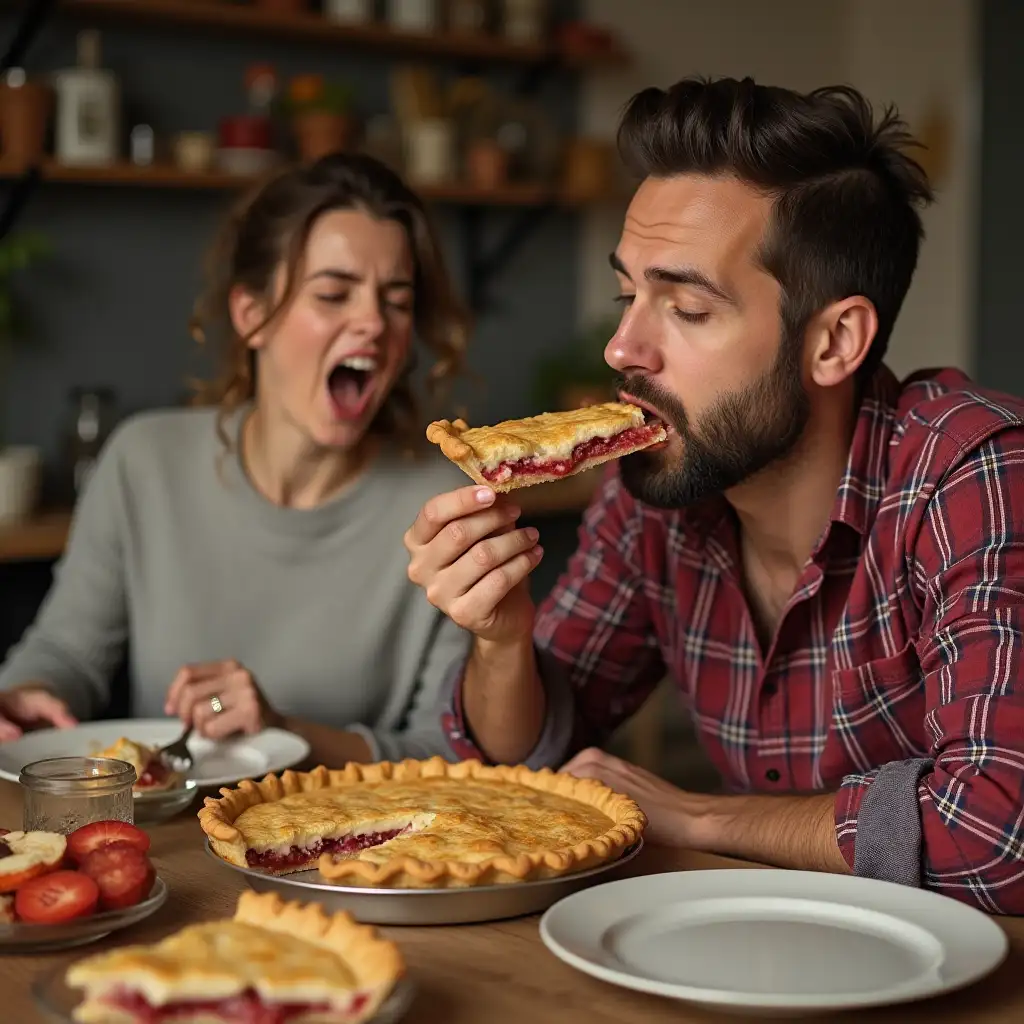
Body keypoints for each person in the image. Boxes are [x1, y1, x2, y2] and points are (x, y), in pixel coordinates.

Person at [404, 76, 1024, 913]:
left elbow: (997, 832)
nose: (624, 347)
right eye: (630, 294)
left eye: (686, 307)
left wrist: (700, 817)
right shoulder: (658, 487)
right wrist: (503, 643)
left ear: (836, 341)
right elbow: (525, 772)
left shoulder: (977, 474)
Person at [0, 152, 473, 765]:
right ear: (251, 315)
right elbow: (65, 652)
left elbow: (447, 757)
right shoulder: (144, 462)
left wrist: (283, 731)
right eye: (333, 293)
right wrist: (24, 698)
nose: (373, 324)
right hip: (167, 846)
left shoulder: (446, 506)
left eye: (398, 301)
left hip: (351, 851)